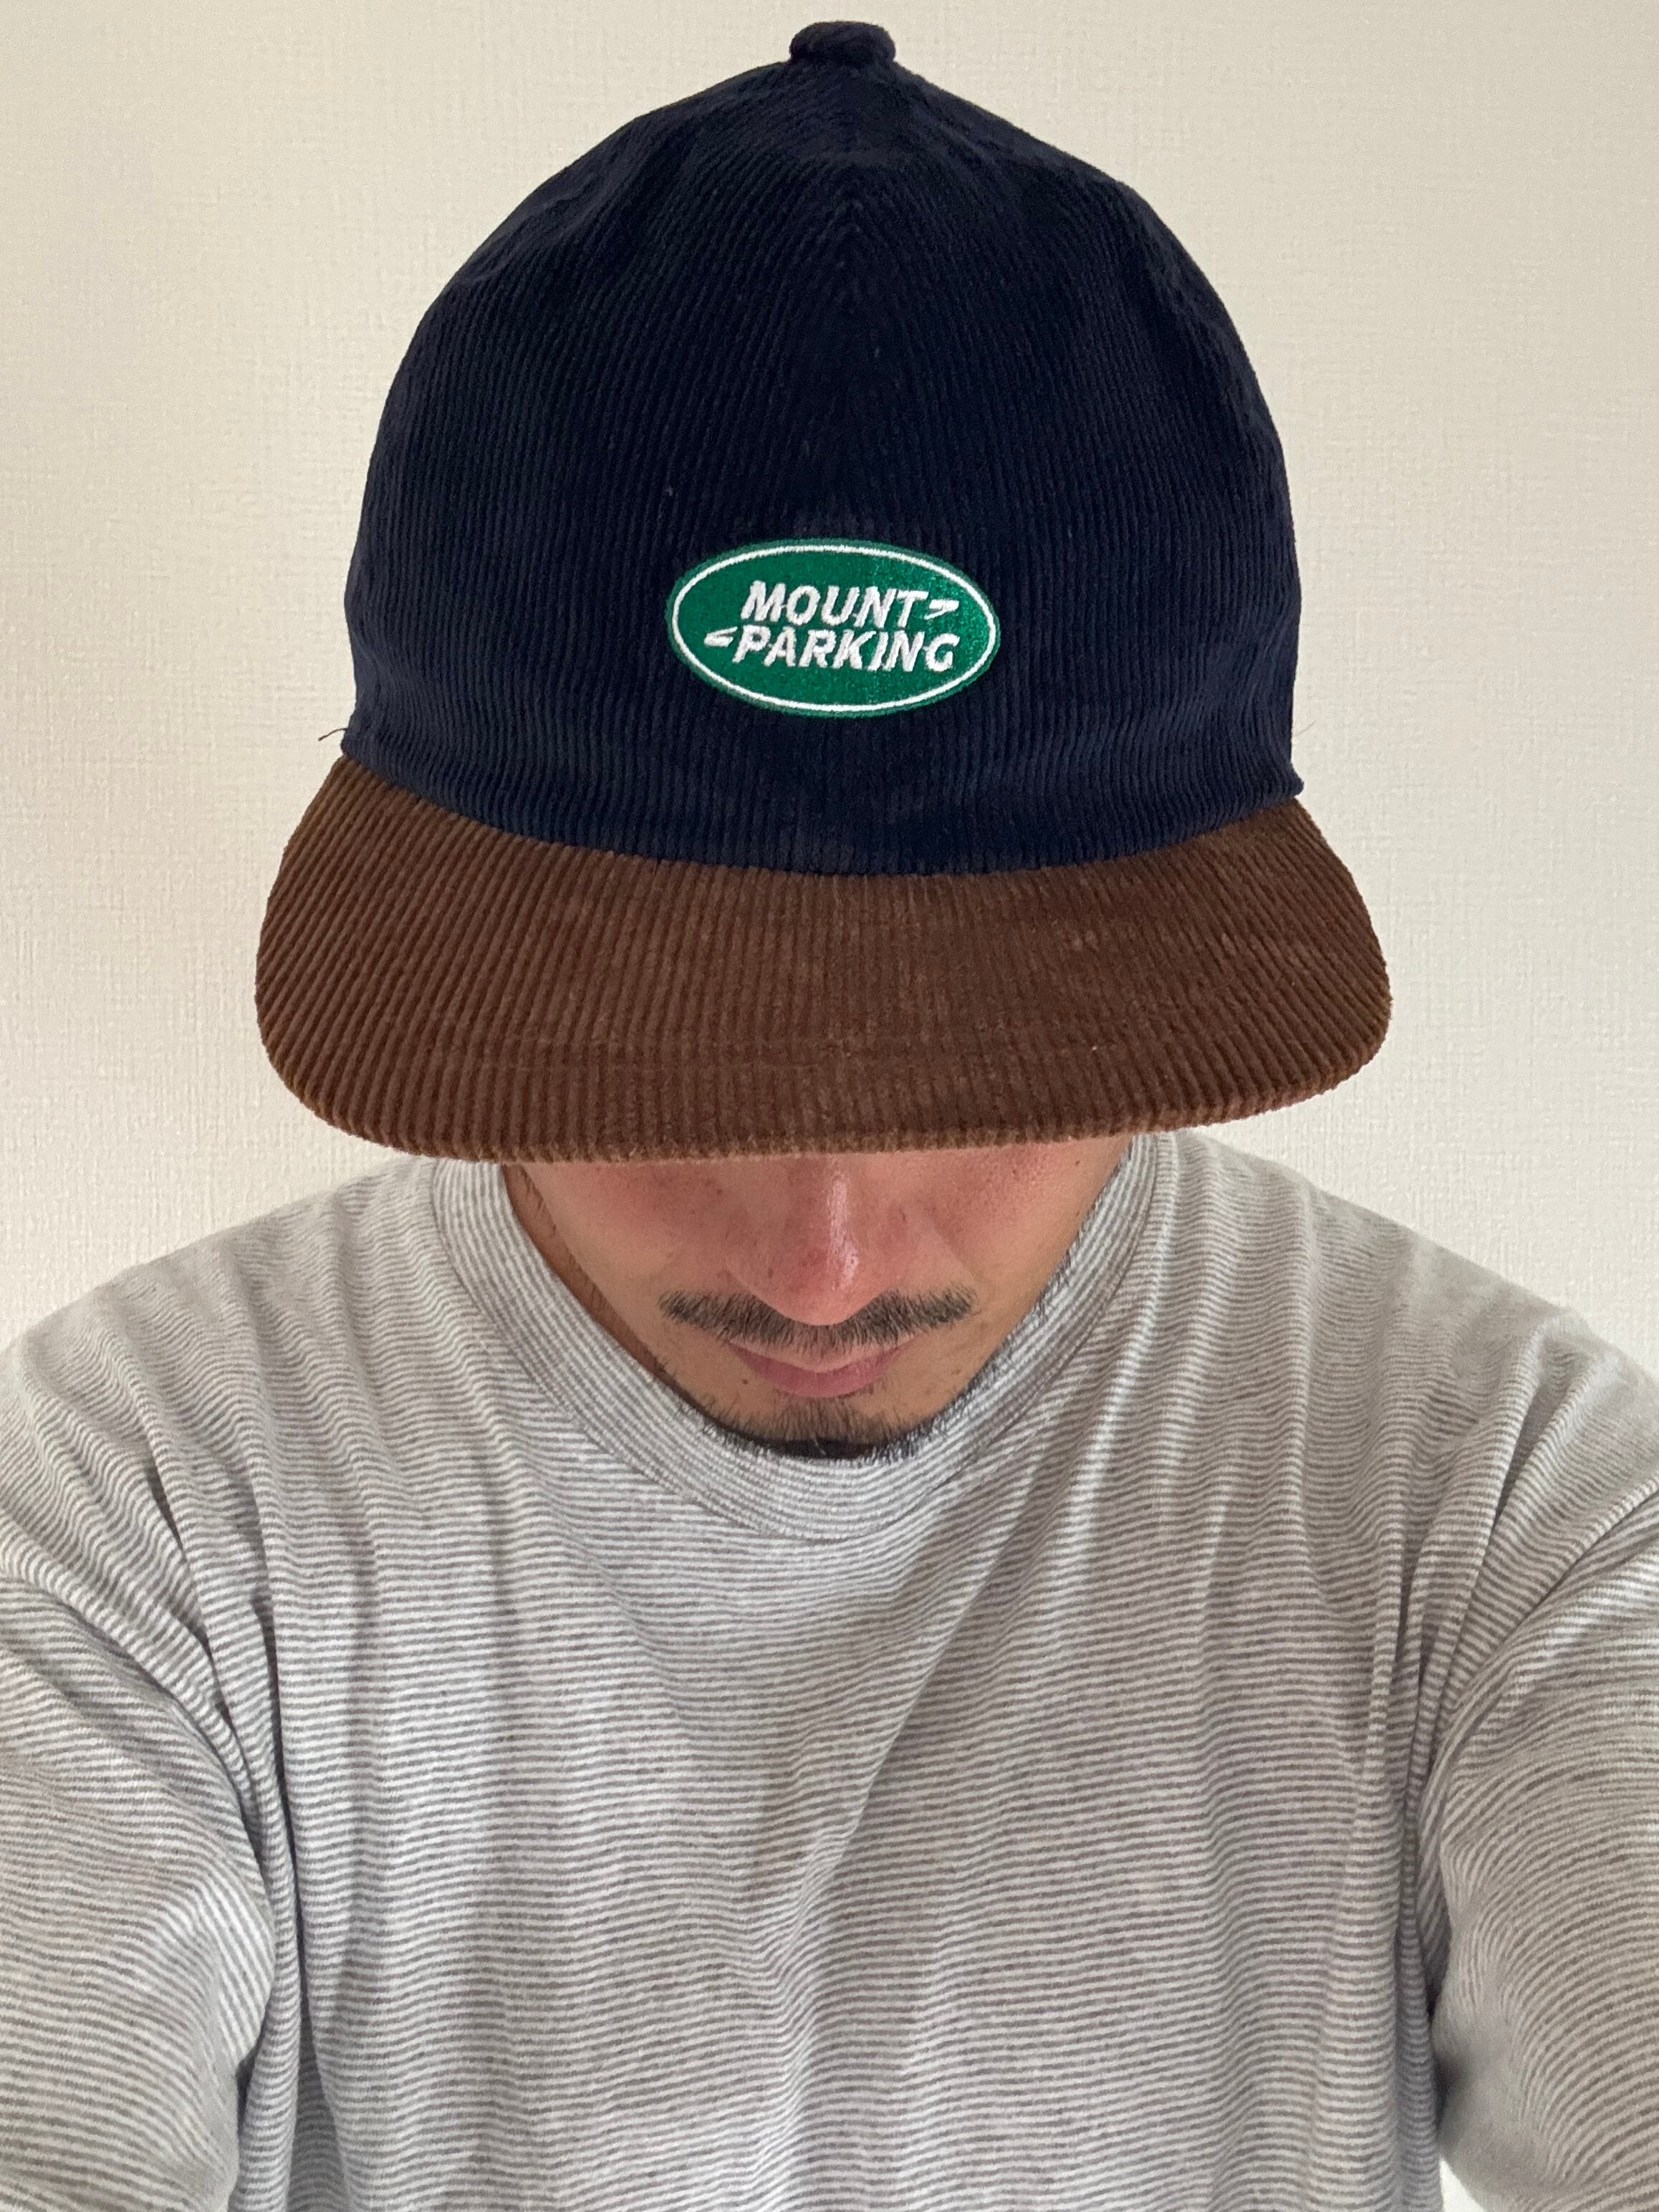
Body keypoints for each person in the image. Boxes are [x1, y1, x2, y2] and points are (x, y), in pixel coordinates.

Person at [3, 21, 1656, 2211]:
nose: (824, 1259)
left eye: (989, 1066)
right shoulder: (130, 1514)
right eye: (667, 1057)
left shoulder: (1498, 1506)